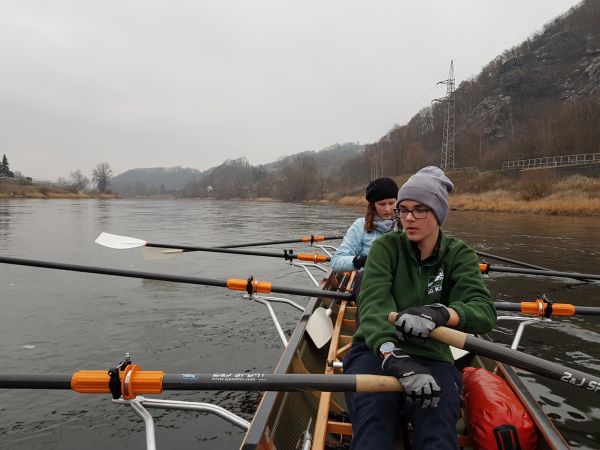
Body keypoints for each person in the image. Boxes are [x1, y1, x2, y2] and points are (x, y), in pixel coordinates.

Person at [344, 166, 496, 450]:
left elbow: (484, 311)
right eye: (403, 210)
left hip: (432, 357)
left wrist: (442, 312)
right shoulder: (386, 248)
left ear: (438, 213)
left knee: (438, 431)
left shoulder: (459, 254)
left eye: (420, 210)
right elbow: (374, 306)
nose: (408, 218)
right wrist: (393, 357)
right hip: (376, 351)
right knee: (374, 425)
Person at [331, 176, 399, 273]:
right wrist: (361, 261)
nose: (388, 209)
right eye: (382, 204)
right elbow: (336, 262)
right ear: (373, 205)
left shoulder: (405, 223)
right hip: (369, 281)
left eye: (391, 203)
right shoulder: (360, 226)